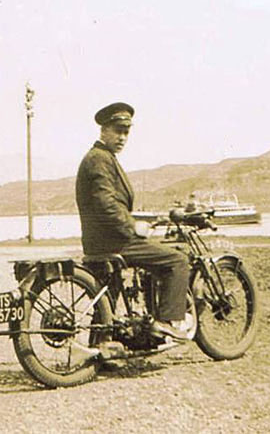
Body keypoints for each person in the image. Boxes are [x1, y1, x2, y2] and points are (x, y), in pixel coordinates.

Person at [76, 102, 191, 340]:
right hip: (113, 242)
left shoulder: (102, 157)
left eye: (126, 132)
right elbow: (105, 204)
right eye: (117, 130)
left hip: (101, 240)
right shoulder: (99, 159)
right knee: (178, 260)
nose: (122, 137)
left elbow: (111, 203)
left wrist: (145, 220)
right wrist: (132, 226)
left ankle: (102, 346)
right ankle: (167, 322)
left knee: (108, 295)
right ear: (103, 131)